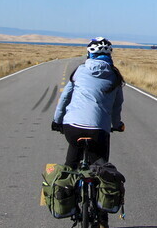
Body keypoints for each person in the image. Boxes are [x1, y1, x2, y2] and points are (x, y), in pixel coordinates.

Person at [51, 36, 125, 169]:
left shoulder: (80, 71)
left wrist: (57, 120)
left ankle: (66, 182)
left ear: (89, 54)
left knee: (71, 164)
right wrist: (117, 124)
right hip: (99, 131)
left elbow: (65, 97)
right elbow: (117, 106)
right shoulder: (115, 77)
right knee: (101, 168)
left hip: (72, 127)